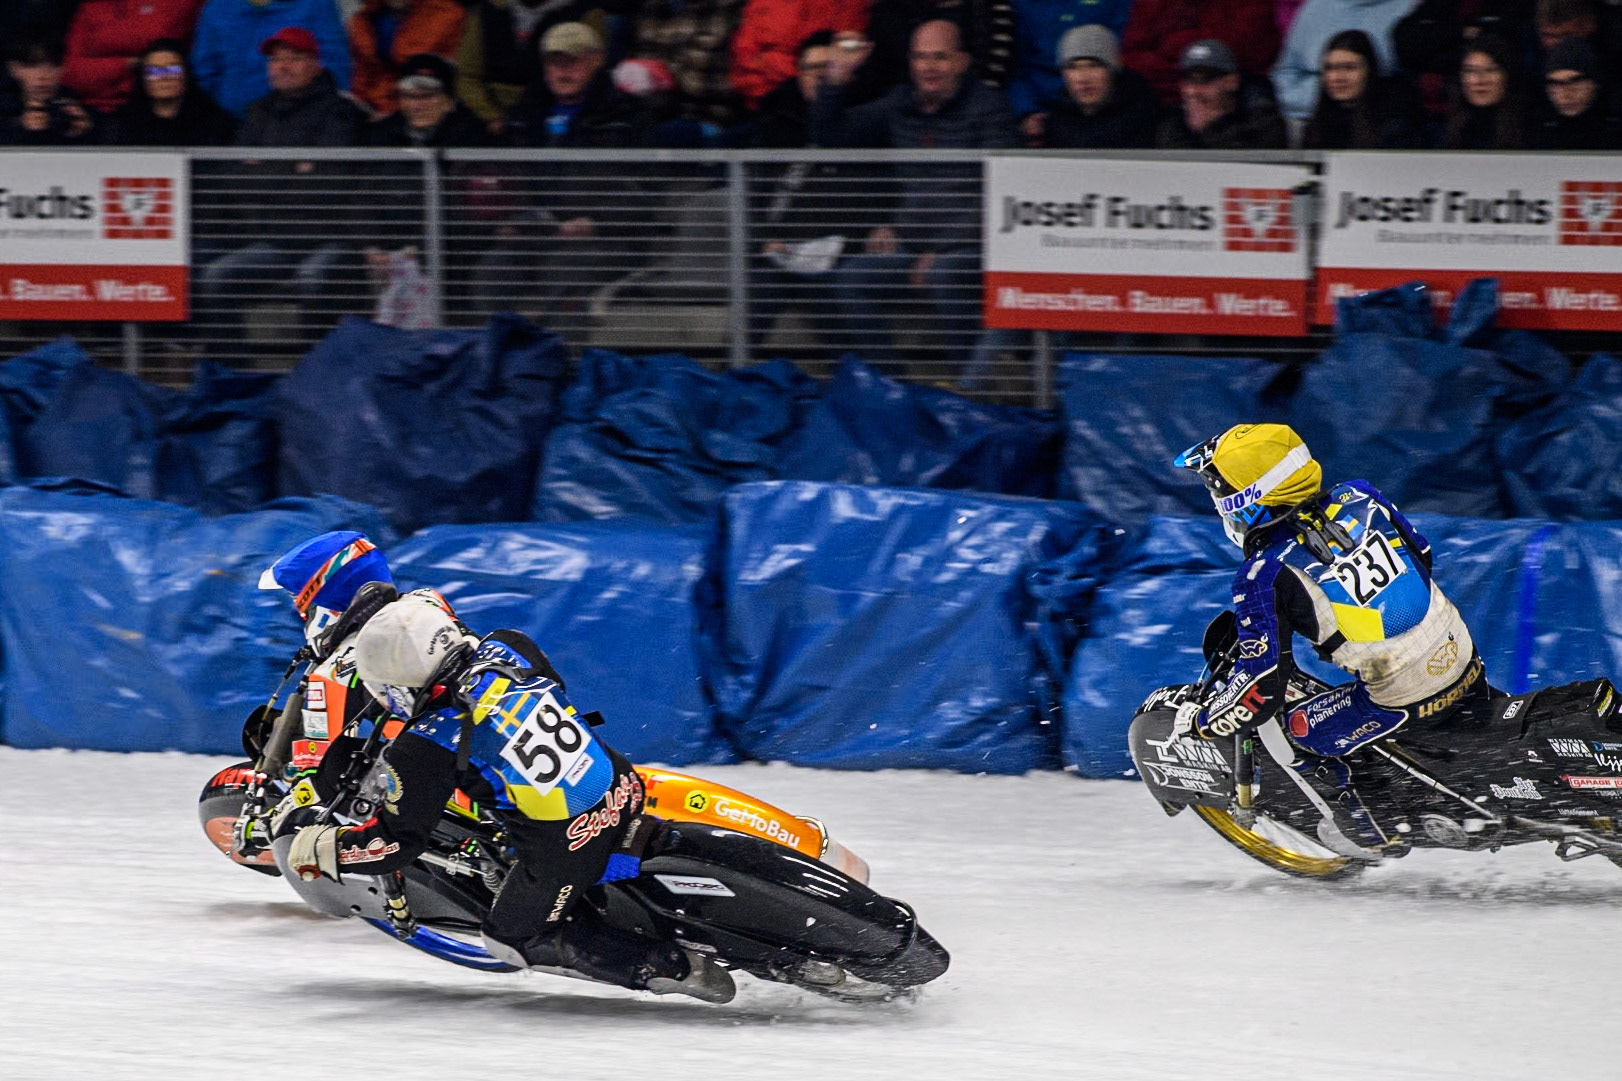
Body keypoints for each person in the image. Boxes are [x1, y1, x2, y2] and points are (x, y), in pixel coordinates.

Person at [276, 592, 737, 1002]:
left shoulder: (423, 743)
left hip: (571, 843)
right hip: (622, 783)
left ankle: (672, 967)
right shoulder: (509, 644)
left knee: (510, 939)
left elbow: (397, 844)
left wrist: (326, 848)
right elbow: (550, 689)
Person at [1171, 423, 1490, 853]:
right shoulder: (1360, 495)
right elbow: (1423, 555)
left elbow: (1259, 690)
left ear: (1248, 502)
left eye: (1220, 494)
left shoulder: (1263, 573)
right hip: (1461, 651)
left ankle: (1368, 832)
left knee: (1295, 729)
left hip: (1404, 694)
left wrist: (1204, 722)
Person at [811, 19, 1019, 382]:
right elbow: (832, 137)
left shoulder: (990, 108)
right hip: (911, 247)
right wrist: (837, 80)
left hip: (973, 249)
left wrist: (942, 249)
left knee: (946, 273)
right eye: (920, 57)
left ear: (962, 62)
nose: (928, 67)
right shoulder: (899, 102)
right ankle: (895, 388)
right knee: (849, 277)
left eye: (939, 57)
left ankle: (970, 393)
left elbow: (1004, 192)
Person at [191, 0, 353, 117]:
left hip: (305, 127)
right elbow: (204, 73)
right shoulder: (216, 8)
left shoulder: (316, 4)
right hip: (230, 127)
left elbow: (334, 68)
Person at [1271, 0, 1419, 122]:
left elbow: (1411, 82)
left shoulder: (1409, 7)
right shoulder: (1315, 7)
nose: (1338, 77)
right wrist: (1318, 101)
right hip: (1310, 116)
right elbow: (1285, 74)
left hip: (1382, 118)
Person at [1120, 0, 1280, 105]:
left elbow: (1246, 48)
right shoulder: (1152, 4)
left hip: (1234, 96)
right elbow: (1131, 56)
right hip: (1157, 97)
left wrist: (1175, 47)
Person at [61, 0, 206, 114]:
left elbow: (198, 64)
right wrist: (130, 63)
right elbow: (70, 73)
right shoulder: (90, 8)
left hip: (161, 113)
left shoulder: (181, 4)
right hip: (92, 112)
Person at [728, 0, 871, 110]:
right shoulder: (763, 3)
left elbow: (849, 56)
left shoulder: (850, 5)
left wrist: (771, 60)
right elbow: (744, 65)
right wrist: (808, 68)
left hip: (835, 106)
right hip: (764, 106)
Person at [1033, 23, 1158, 148]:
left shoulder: (1147, 119)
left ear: (1113, 70)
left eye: (1094, 65)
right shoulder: (1056, 123)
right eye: (1073, 67)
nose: (1083, 77)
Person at [1300, 28, 1422, 147]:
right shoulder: (1318, 125)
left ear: (1369, 71)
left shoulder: (1395, 120)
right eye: (1330, 68)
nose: (1337, 77)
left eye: (1349, 67)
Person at [1156, 38, 1287, 148]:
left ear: (1231, 82)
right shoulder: (1174, 120)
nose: (1191, 91)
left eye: (1203, 80)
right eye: (1187, 81)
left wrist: (1207, 129)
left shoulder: (1261, 116)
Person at [346, 0, 468, 116]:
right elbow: (362, 77)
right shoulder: (365, 19)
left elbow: (439, 80)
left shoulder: (447, 15)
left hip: (421, 110)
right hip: (372, 111)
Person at [106, 38, 237, 146]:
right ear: (143, 79)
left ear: (186, 75)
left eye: (172, 70)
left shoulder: (216, 123)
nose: (164, 77)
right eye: (154, 71)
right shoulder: (120, 125)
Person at [366, 52, 491, 145]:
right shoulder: (382, 135)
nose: (417, 105)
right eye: (409, 96)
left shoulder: (473, 136)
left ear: (450, 101)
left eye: (427, 96)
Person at [1440, 30, 1530, 148]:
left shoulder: (1530, 127)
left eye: (1491, 70)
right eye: (1470, 70)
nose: (1479, 80)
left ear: (1508, 76)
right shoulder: (1445, 128)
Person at [0, 37, 98, 146]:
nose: (43, 75)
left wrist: (86, 132)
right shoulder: (5, 109)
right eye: (32, 65)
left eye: (53, 65)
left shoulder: (81, 104)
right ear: (14, 68)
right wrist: (19, 128)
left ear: (64, 67)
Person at [1533, 36, 1620, 147]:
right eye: (1555, 84)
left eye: (1576, 81)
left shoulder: (1615, 130)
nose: (1566, 93)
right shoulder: (1537, 131)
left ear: (1595, 83)